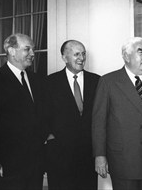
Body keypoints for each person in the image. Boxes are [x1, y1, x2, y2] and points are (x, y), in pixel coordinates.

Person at [92, 37, 142, 190]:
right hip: (124, 160)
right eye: (140, 51)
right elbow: (99, 122)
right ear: (126, 56)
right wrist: (100, 155)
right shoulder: (108, 82)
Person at [44, 40, 100, 190]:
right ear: (64, 57)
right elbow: (42, 114)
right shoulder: (49, 82)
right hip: (59, 155)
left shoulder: (97, 81)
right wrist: (49, 136)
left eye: (83, 54)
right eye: (76, 54)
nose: (81, 58)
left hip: (88, 155)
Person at [0, 33, 47, 190]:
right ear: (11, 51)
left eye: (33, 50)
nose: (32, 54)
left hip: (35, 164)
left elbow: (41, 115)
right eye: (27, 49)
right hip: (7, 165)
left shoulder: (37, 80)